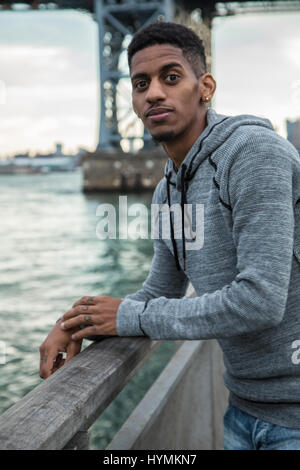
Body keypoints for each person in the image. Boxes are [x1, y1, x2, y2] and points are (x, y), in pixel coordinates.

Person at [39, 21, 300, 450]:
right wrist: (77, 321)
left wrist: (130, 317)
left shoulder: (254, 154)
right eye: (141, 84)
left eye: (171, 77)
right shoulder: (167, 190)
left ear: (206, 87)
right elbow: (160, 289)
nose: (154, 92)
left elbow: (260, 301)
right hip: (243, 409)